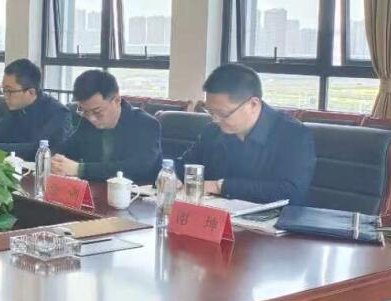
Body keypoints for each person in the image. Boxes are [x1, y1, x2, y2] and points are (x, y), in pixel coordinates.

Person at [178, 63, 316, 205]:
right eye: (211, 112)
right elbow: (186, 165)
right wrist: (173, 176)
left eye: (223, 113)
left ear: (253, 104)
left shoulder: (293, 135)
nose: (215, 120)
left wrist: (220, 187)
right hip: (218, 212)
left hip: (271, 217)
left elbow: (291, 191)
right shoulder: (213, 130)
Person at [52, 69, 161, 184]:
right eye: (84, 111)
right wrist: (54, 161)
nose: (91, 118)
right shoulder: (87, 121)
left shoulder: (146, 124)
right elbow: (67, 149)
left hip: (136, 193)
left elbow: (137, 168)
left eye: (97, 112)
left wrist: (80, 169)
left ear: (117, 100)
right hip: (95, 190)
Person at [0, 58, 71, 160]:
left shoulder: (59, 113)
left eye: (9, 91)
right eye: (3, 90)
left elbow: (41, 149)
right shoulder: (16, 108)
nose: (5, 96)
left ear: (31, 92)